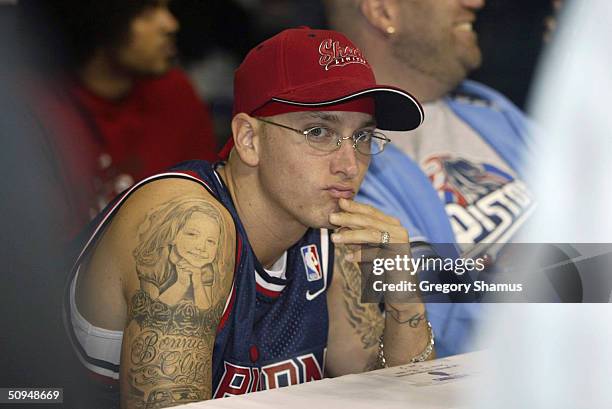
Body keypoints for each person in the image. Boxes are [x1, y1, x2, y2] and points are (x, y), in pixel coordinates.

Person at [65, 27, 435, 408]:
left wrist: (404, 299)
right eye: (319, 132)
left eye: (361, 137)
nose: (349, 165)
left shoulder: (330, 233)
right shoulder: (189, 224)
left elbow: (393, 392)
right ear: (248, 139)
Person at [325, 0, 534, 356]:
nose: (475, 3)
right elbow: (427, 314)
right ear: (384, 12)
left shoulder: (491, 108)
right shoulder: (343, 163)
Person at [44, 0, 218, 236]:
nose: (170, 24)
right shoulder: (39, 107)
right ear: (101, 18)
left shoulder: (176, 94)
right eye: (147, 12)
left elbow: (206, 209)